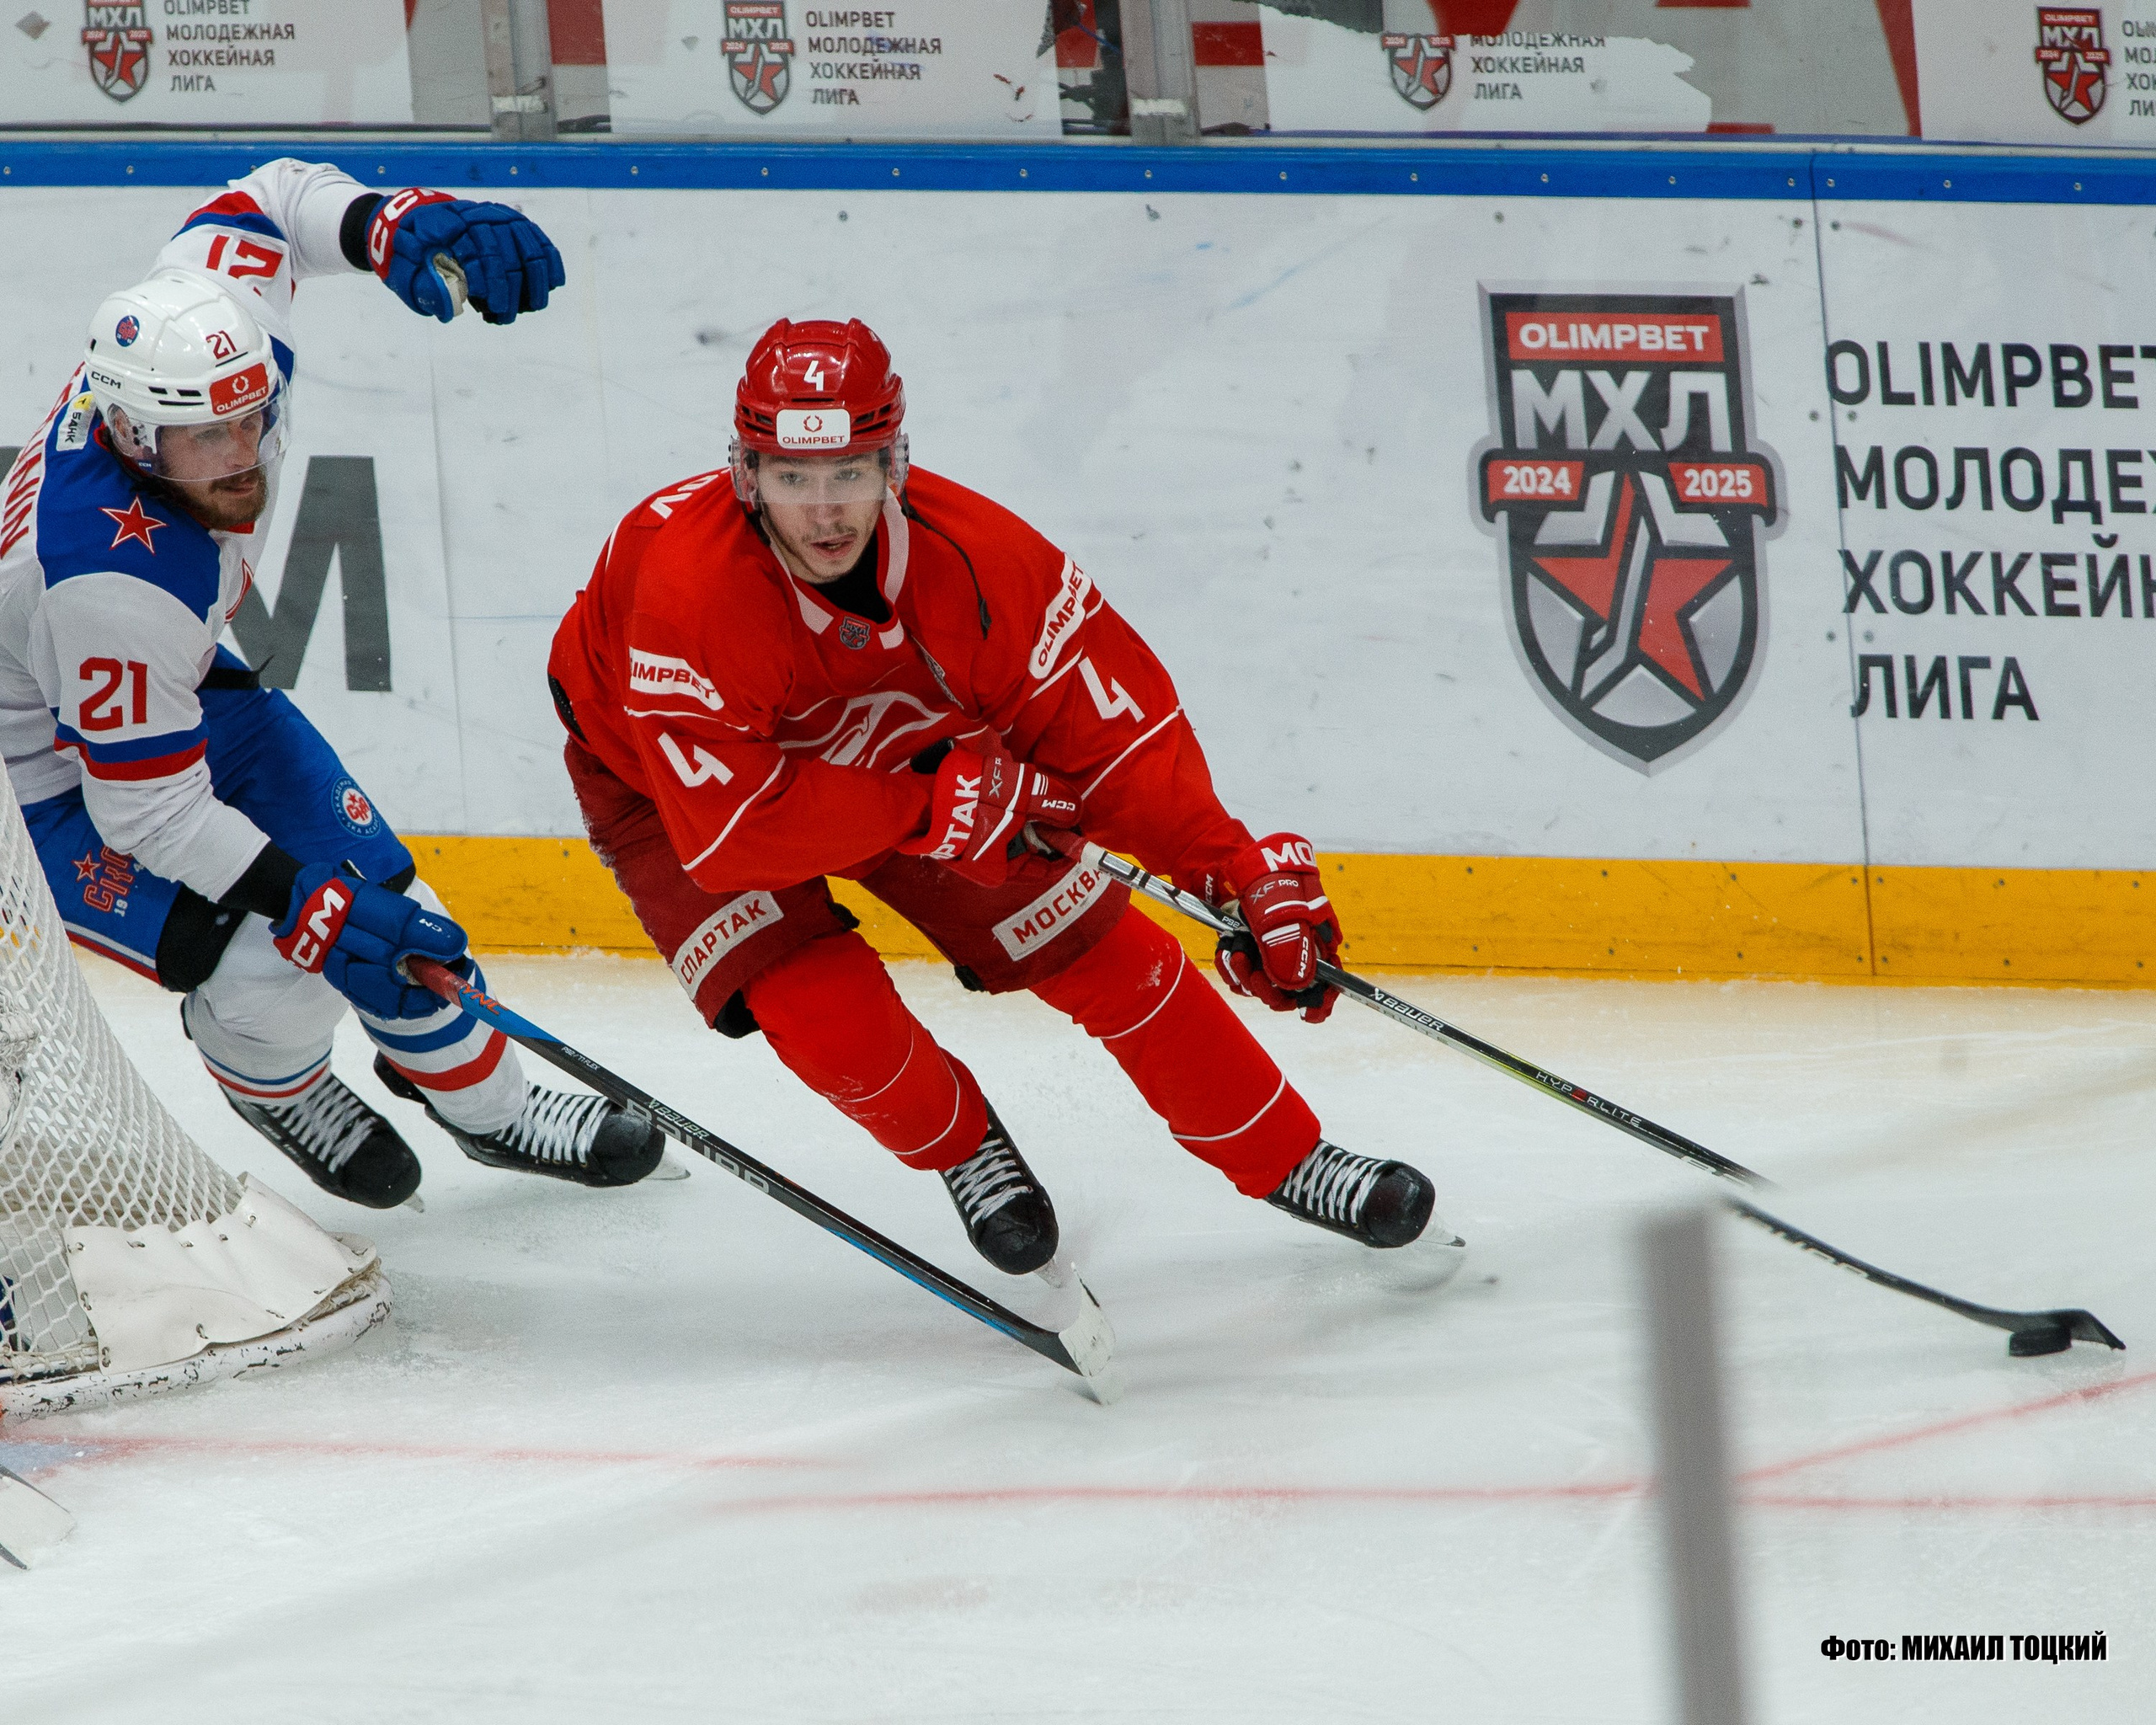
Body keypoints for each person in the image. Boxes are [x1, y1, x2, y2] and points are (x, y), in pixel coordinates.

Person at [546, 317, 1460, 1277]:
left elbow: (1111, 737)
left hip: (911, 757)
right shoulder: (689, 591)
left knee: (1103, 949)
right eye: (793, 478)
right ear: (747, 475)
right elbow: (732, 833)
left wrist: (1226, 865)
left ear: (894, 467)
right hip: (666, 791)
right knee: (829, 1020)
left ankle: (1288, 1156)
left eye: (851, 473)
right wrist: (933, 806)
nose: (825, 511)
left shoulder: (978, 558)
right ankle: (963, 1145)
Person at [0, 159, 664, 1210]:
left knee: (395, 902)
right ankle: (275, 1082)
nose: (241, 456)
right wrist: (299, 902)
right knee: (268, 968)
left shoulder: (217, 332)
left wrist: (391, 223)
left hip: (169, 692)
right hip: (36, 781)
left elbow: (264, 201)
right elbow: (145, 809)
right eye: (202, 437)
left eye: (250, 416)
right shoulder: (109, 581)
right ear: (130, 434)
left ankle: (493, 1115)